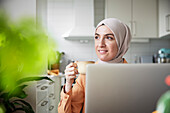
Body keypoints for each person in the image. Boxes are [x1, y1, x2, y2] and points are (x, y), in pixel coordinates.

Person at [58, 18, 132, 113]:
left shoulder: (133, 75)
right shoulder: (86, 75)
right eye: (97, 37)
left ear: (121, 42)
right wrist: (68, 84)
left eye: (109, 38)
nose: (100, 44)